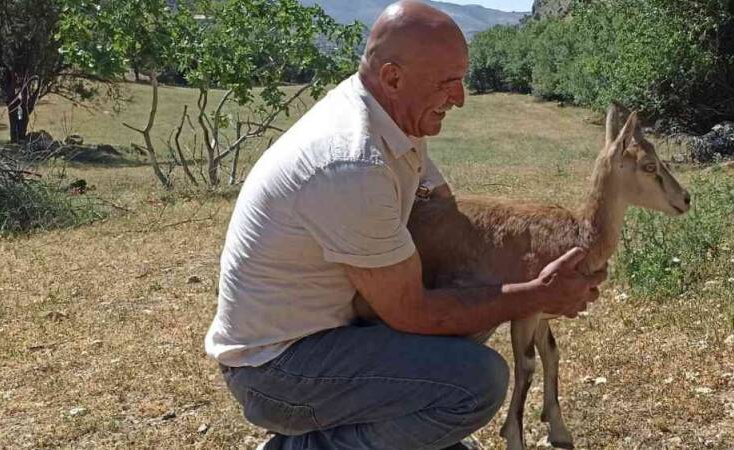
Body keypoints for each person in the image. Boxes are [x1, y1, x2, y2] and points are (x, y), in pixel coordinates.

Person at [203, 2, 605, 449]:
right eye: (447, 82)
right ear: (393, 77)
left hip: (330, 336)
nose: (460, 98)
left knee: (472, 310)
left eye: (462, 79)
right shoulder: (351, 162)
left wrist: (533, 260)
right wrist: (538, 293)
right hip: (278, 371)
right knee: (476, 379)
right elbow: (412, 312)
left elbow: (449, 218)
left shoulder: (392, 119)